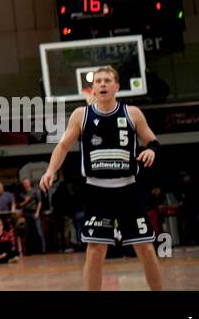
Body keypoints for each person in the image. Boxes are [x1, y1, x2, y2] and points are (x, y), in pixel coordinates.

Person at [40, 66, 163, 290]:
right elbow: (63, 145)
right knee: (95, 250)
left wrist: (152, 150)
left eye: (107, 80)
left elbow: (153, 141)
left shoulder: (132, 113)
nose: (103, 84)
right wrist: (50, 170)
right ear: (92, 88)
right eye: (98, 81)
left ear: (117, 86)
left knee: (145, 247)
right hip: (97, 191)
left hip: (128, 189)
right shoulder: (81, 115)